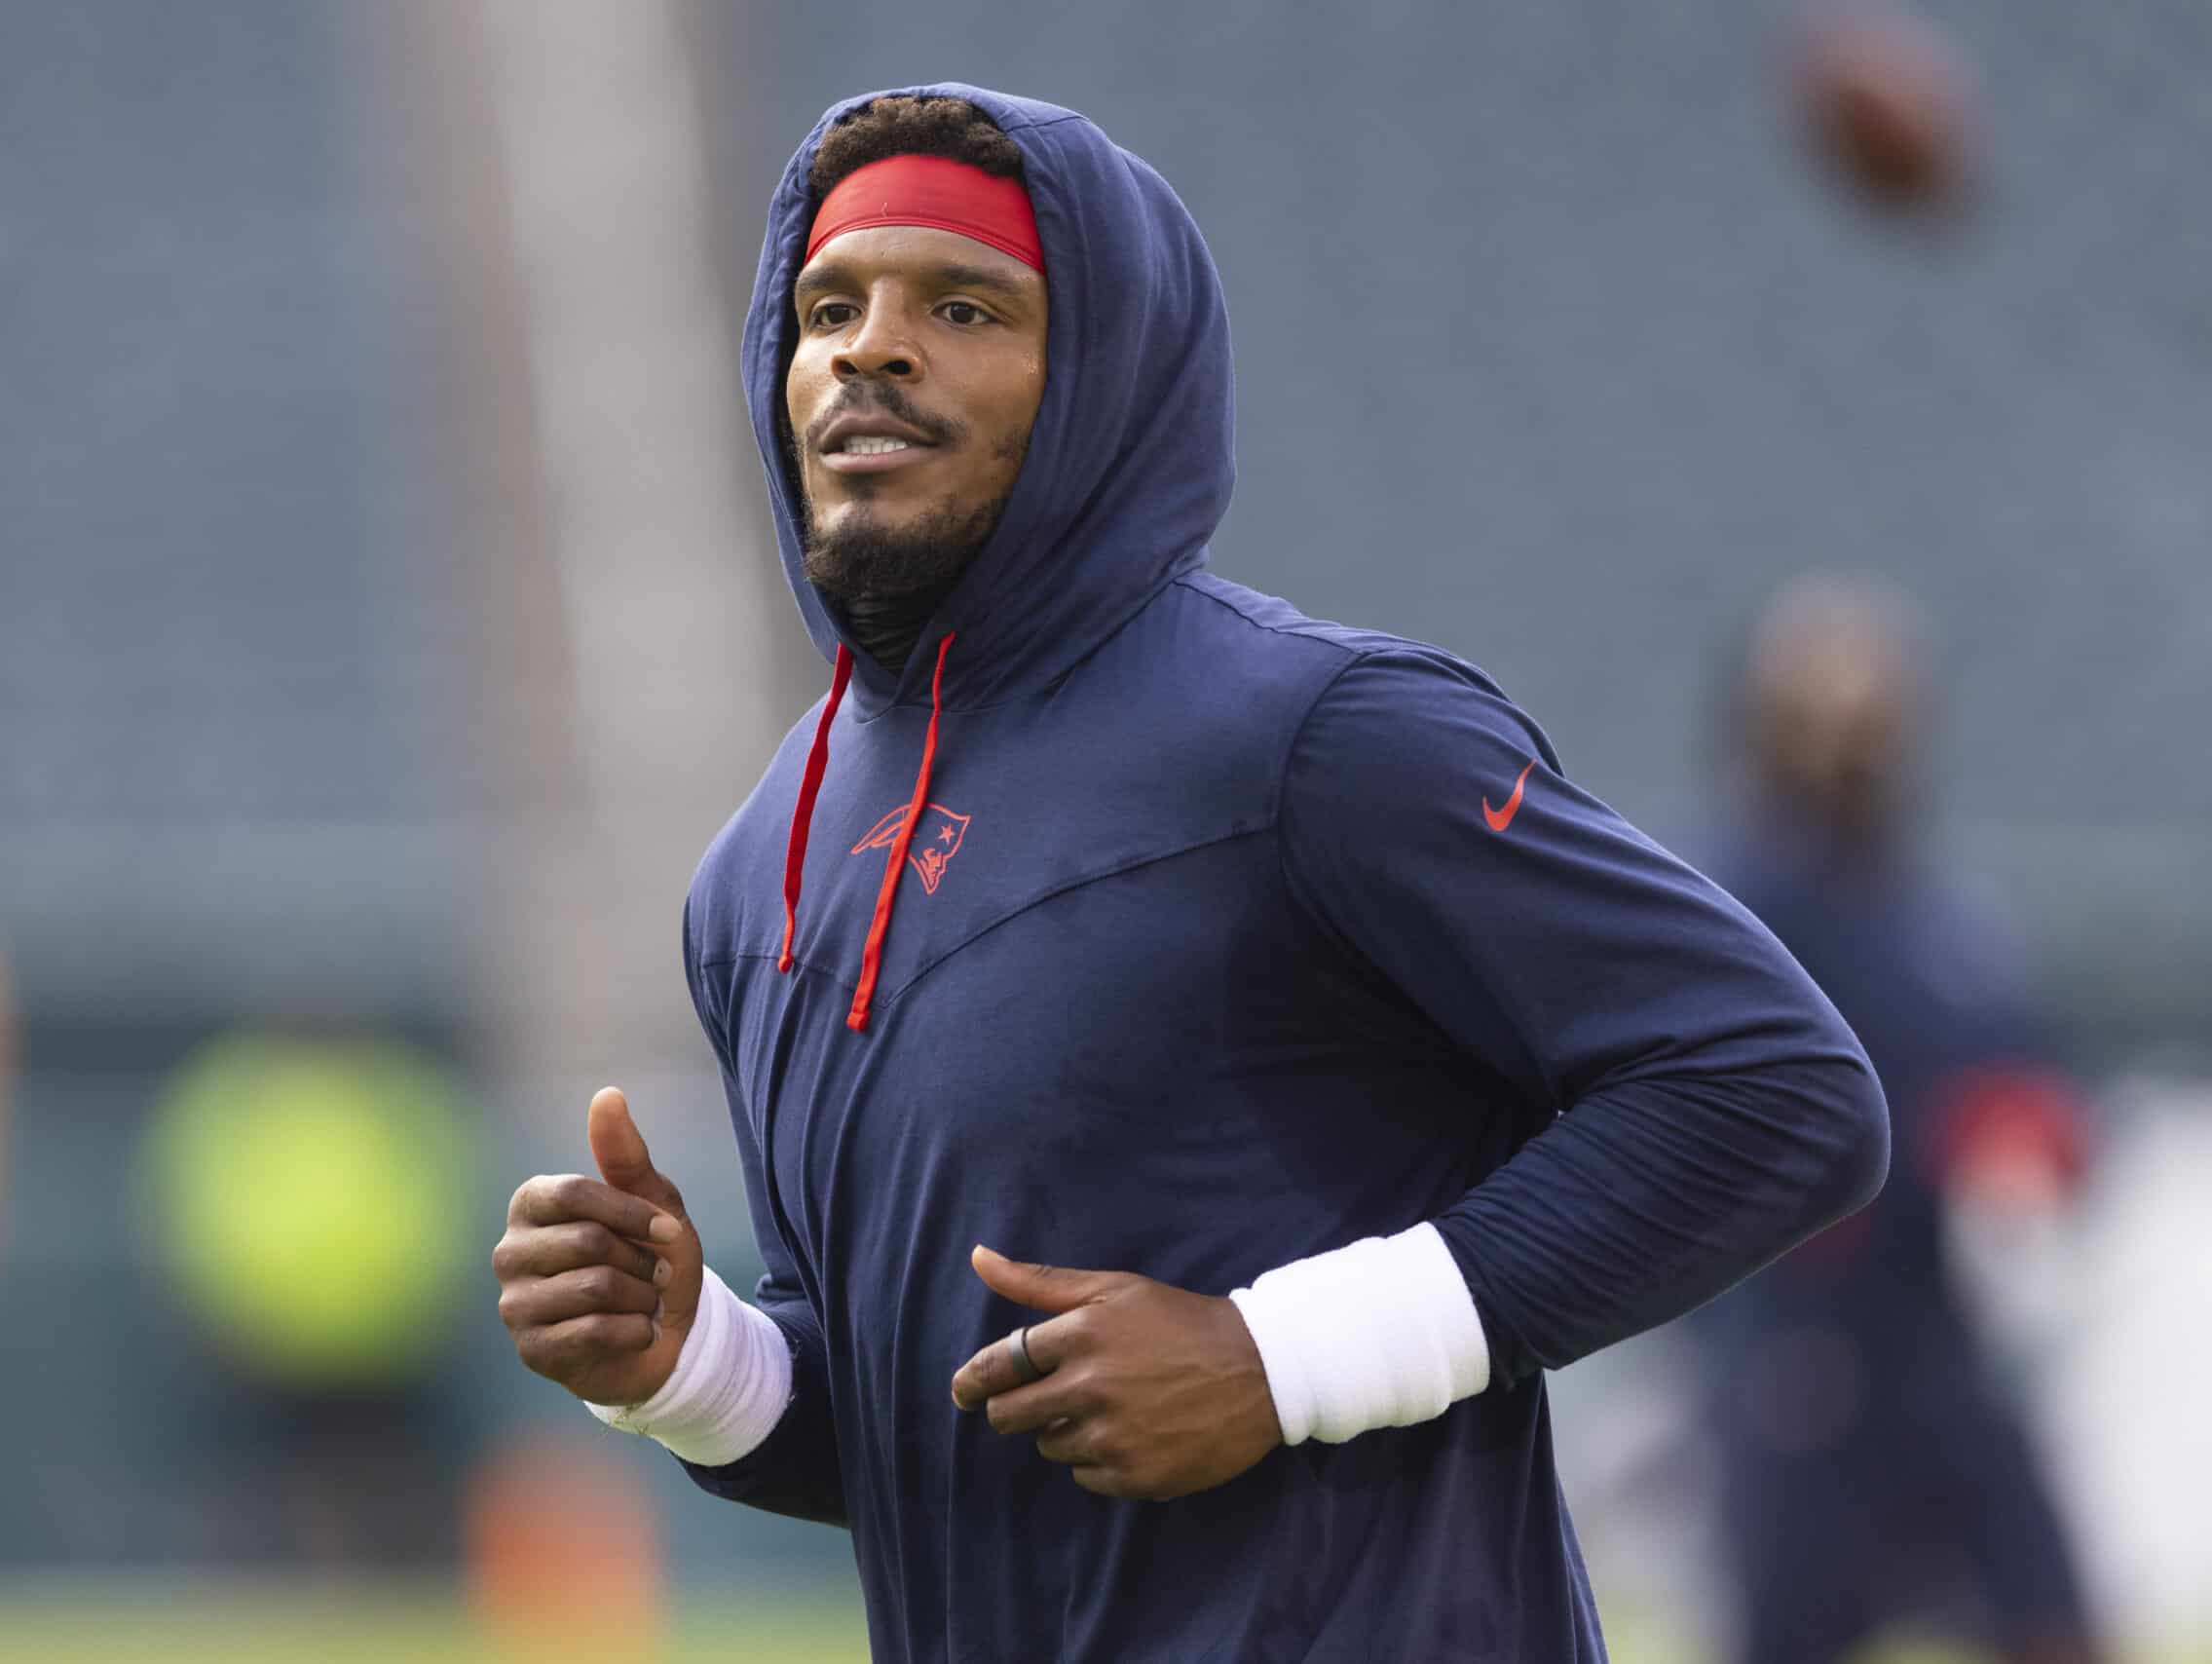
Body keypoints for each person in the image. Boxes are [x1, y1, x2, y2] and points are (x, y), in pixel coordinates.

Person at [490, 87, 1889, 1660]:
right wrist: (687, 1359)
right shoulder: (760, 871)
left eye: (963, 305)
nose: (869, 350)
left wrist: (1275, 1358)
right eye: (829, 307)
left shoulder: (1321, 733)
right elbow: (931, 1425)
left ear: (1099, 376)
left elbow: (1774, 1086)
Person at [1700, 576, 2099, 1664]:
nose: (1845, 747)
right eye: (1817, 716)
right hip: (1803, 1346)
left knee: (2050, 1614)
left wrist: (2032, 1148)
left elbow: (2046, 1079)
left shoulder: (1939, 911)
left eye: (1869, 717)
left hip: (1948, 1342)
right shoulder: (1723, 900)